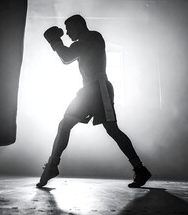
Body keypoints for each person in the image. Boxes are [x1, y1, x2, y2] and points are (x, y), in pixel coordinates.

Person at [37, 14, 151, 188]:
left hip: (99, 88)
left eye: (69, 29)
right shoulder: (81, 43)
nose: (67, 33)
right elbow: (67, 58)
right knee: (64, 124)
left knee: (112, 130)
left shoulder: (93, 37)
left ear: (79, 25)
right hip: (88, 91)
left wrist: (56, 42)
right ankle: (52, 165)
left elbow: (67, 56)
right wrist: (57, 43)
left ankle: (140, 168)